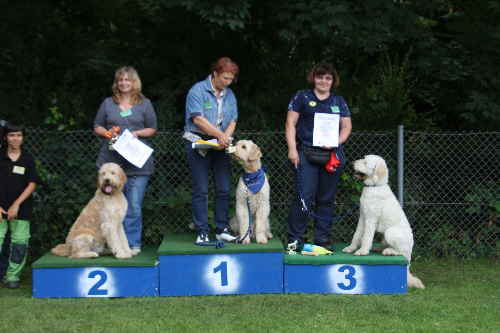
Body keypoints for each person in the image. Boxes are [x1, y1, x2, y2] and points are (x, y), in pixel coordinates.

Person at [285, 62, 352, 250]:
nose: (324, 81)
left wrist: (336, 142)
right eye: (320, 77)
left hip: (331, 155)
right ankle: (295, 239)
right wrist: (292, 149)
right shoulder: (302, 96)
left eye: (328, 78)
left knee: (326, 199)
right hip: (306, 152)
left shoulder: (338, 101)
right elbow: (290, 123)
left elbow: (346, 126)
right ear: (314, 78)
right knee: (303, 197)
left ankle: (322, 239)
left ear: (333, 81)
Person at [94, 66, 157, 255]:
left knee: (133, 206)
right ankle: (110, 244)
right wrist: (106, 133)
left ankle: (132, 244)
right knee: (108, 208)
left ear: (134, 82)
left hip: (138, 164)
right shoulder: (107, 103)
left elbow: (152, 128)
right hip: (111, 163)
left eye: (127, 80)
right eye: (120, 80)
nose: (123, 83)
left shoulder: (145, 104)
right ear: (116, 83)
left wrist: (136, 133)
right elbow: (97, 125)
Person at [184, 57, 240, 244]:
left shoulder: (230, 94)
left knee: (223, 188)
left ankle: (221, 228)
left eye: (230, 79)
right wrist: (220, 135)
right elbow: (198, 119)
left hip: (221, 143)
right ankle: (202, 231)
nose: (227, 82)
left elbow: (232, 120)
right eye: (225, 78)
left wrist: (226, 137)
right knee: (201, 189)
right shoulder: (197, 90)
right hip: (199, 140)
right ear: (215, 74)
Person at [0, 123, 40, 288]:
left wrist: (16, 205)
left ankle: (12, 276)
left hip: (21, 208)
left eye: (18, 135)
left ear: (23, 138)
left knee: (19, 243)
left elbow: (32, 184)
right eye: (11, 135)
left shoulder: (28, 158)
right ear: (5, 137)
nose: (15, 138)